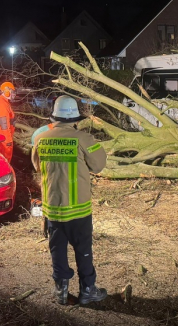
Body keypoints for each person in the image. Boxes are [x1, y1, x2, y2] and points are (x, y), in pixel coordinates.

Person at [31, 95, 108, 305]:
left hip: (53, 209)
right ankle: (88, 290)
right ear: (75, 118)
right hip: (78, 209)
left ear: (54, 116)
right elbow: (99, 165)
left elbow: (37, 166)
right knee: (83, 250)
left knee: (57, 249)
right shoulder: (84, 140)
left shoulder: (41, 139)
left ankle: (61, 291)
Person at [0, 82, 17, 162]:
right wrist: (8, 140)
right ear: (6, 91)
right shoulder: (2, 103)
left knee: (1, 159)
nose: (14, 94)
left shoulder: (3, 101)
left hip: (1, 135)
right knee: (5, 160)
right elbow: (4, 123)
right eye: (12, 92)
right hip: (4, 137)